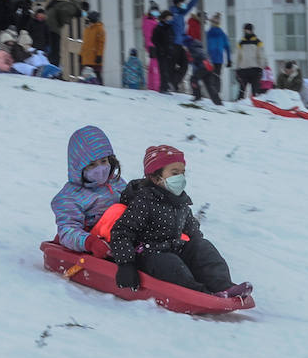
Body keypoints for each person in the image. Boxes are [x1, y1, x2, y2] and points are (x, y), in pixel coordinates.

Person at [109, 145, 252, 298]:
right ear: (156, 178)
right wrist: (126, 264)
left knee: (203, 247)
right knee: (172, 264)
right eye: (174, 173)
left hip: (174, 248)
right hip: (149, 255)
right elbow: (121, 232)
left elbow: (192, 228)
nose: (181, 178)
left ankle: (223, 286)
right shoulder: (144, 202)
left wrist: (197, 250)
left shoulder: (180, 202)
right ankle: (202, 294)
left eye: (182, 172)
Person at [51, 126, 125, 255]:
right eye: (92, 164)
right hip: (99, 244)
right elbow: (68, 231)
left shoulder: (115, 181)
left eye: (103, 161)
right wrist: (90, 242)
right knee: (117, 211)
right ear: (78, 166)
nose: (100, 168)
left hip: (128, 233)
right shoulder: (69, 197)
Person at [233, 23, 267, 101]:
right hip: (243, 70)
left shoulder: (258, 42)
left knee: (255, 93)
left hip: (255, 70)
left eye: (246, 30)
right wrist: (236, 69)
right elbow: (237, 56)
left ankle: (256, 107)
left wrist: (261, 68)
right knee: (241, 92)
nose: (245, 32)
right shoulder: (241, 43)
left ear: (251, 30)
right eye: (244, 30)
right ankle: (239, 105)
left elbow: (261, 55)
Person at [151, 9, 182, 94]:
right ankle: (163, 88)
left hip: (169, 52)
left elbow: (172, 39)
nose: (170, 20)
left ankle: (167, 87)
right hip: (161, 53)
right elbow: (154, 40)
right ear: (164, 18)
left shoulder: (170, 28)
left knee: (168, 70)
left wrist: (172, 48)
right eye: (169, 18)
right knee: (163, 70)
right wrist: (160, 48)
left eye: (171, 18)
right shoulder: (158, 27)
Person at [204, 13, 231, 97]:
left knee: (213, 76)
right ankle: (215, 94)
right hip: (215, 59)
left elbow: (227, 47)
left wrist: (229, 59)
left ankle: (214, 94)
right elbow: (227, 47)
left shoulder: (210, 33)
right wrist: (229, 59)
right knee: (215, 76)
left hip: (212, 58)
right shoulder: (220, 34)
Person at [81, 11, 106, 85]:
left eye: (89, 20)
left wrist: (99, 55)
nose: (88, 21)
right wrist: (81, 54)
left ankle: (101, 87)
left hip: (95, 58)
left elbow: (101, 44)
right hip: (87, 58)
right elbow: (85, 43)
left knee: (97, 74)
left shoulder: (99, 29)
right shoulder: (87, 29)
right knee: (87, 76)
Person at [142, 3, 162, 91]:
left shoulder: (152, 21)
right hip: (153, 47)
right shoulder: (149, 22)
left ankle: (151, 86)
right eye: (154, 11)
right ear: (151, 11)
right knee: (156, 68)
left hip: (153, 46)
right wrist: (151, 46)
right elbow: (148, 35)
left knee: (152, 67)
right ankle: (156, 87)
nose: (156, 13)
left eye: (157, 11)